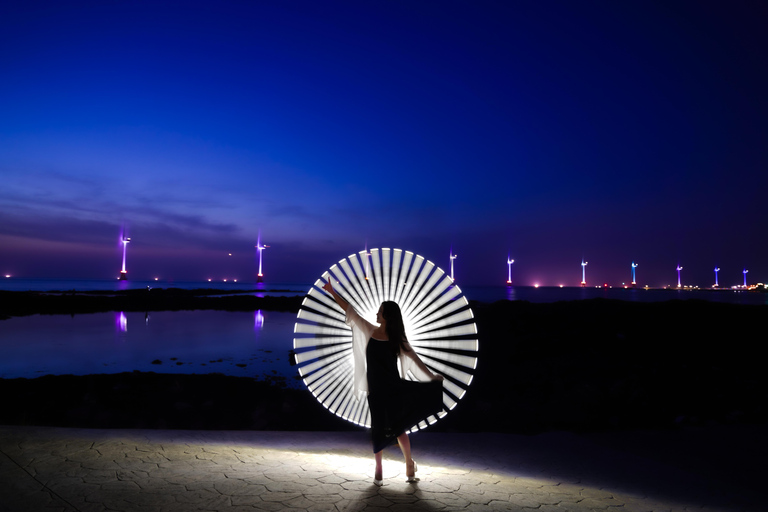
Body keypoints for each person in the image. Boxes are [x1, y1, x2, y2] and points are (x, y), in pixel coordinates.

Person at [322, 280, 444, 485]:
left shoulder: (374, 332)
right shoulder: (395, 337)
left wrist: (432, 378)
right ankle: (408, 465)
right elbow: (415, 360)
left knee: (379, 426)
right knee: (398, 428)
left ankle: (380, 471)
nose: (376, 315)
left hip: (379, 390)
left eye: (379, 312)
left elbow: (414, 359)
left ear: (387, 316)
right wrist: (431, 378)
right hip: (390, 389)